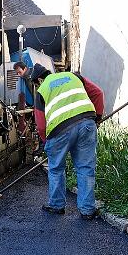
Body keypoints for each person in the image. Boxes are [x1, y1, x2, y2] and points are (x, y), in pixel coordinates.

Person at [29, 63, 104, 219]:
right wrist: (97, 118)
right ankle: (87, 210)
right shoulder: (74, 76)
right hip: (86, 123)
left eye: (36, 83)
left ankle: (56, 205)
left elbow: (41, 125)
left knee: (56, 168)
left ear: (40, 80)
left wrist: (46, 142)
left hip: (59, 130)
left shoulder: (42, 90)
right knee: (85, 167)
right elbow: (98, 93)